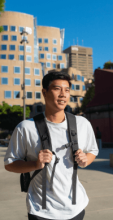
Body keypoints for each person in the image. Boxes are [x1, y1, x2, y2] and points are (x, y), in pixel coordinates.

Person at [4, 71, 99, 220]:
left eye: (67, 90)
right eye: (57, 89)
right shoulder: (25, 128)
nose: (63, 94)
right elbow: (10, 164)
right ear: (44, 92)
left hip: (76, 208)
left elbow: (92, 150)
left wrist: (86, 159)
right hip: (41, 211)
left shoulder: (82, 123)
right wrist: (35, 164)